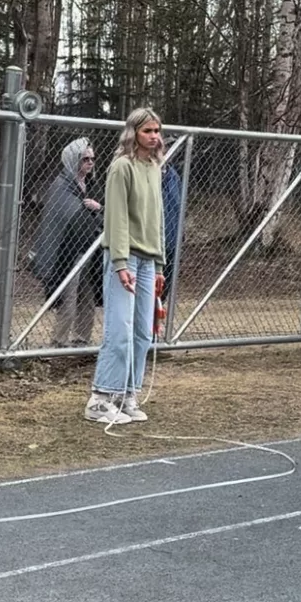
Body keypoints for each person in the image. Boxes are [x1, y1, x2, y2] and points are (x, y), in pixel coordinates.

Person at [85, 108, 166, 425]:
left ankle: (126, 393)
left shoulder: (153, 167)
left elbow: (156, 218)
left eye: (157, 130)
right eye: (148, 131)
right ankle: (101, 397)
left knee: (143, 332)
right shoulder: (121, 168)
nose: (154, 136)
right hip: (125, 257)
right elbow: (115, 218)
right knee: (119, 330)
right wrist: (120, 262)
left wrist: (159, 263)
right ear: (134, 133)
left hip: (148, 260)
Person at [32, 138, 102, 347]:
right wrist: (84, 211)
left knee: (87, 297)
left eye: (92, 159)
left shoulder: (91, 185)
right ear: (73, 160)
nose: (90, 163)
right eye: (85, 159)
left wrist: (98, 208)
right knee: (69, 298)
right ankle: (58, 342)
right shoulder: (62, 186)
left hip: (90, 249)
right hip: (67, 251)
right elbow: (61, 218)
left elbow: (103, 211)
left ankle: (82, 339)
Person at [160, 158, 183, 305]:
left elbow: (179, 205)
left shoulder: (174, 176)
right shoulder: (147, 173)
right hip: (154, 241)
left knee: (165, 285)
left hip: (172, 240)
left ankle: (155, 320)